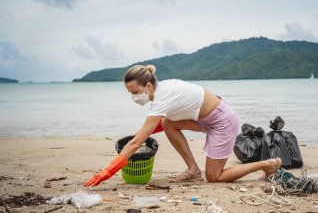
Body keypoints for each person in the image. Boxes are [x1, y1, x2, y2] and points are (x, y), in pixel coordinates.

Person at [85, 64, 282, 187]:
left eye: (135, 91)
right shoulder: (162, 90)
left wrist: (107, 172)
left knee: (214, 177)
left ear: (148, 86)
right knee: (168, 123)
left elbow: (138, 143)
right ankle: (193, 170)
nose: (134, 97)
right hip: (207, 118)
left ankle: (267, 165)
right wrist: (139, 136)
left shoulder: (162, 97)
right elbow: (158, 126)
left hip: (222, 122)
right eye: (130, 93)